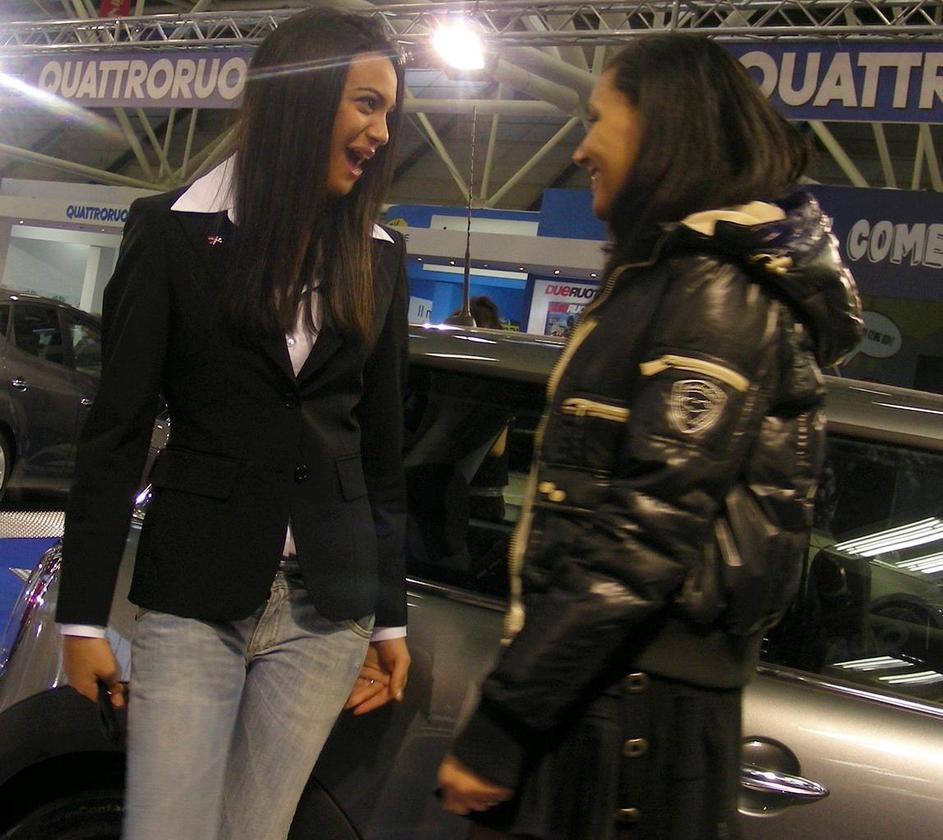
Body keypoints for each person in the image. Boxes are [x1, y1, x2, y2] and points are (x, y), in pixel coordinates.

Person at [437, 34, 863, 840]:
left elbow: (646, 530)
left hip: (625, 715)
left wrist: (506, 719)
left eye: (598, 118)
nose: (579, 148)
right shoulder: (677, 277)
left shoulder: (711, 290)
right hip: (611, 699)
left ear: (663, 127)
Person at [55, 8, 411, 839]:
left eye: (388, 112)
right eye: (366, 104)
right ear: (302, 99)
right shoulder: (169, 232)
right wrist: (80, 619)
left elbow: (382, 451)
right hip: (193, 599)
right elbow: (116, 433)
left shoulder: (381, 253)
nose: (381, 133)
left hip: (327, 612)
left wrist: (390, 616)